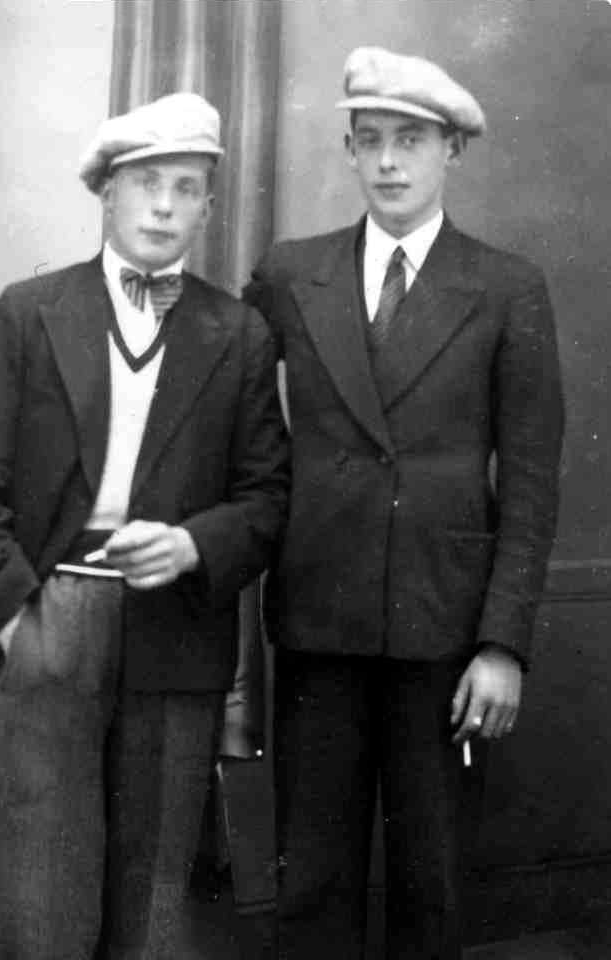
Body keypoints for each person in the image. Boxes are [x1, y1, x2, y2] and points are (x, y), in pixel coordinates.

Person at [0, 91, 289, 959]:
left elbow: (268, 498)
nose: (165, 206)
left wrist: (193, 544)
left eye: (187, 188)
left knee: (154, 903)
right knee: (39, 891)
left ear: (207, 207)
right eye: (146, 183)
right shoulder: (31, 312)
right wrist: (15, 617)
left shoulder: (240, 333)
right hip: (51, 618)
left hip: (178, 628)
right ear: (107, 192)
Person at [244, 48, 564, 959]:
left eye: (411, 141)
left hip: (446, 634)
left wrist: (502, 644)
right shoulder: (291, 273)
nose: (388, 162)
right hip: (320, 622)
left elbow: (532, 480)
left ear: (452, 149)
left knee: (433, 885)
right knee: (312, 886)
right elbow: (222, 396)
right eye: (370, 139)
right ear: (349, 149)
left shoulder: (506, 288)